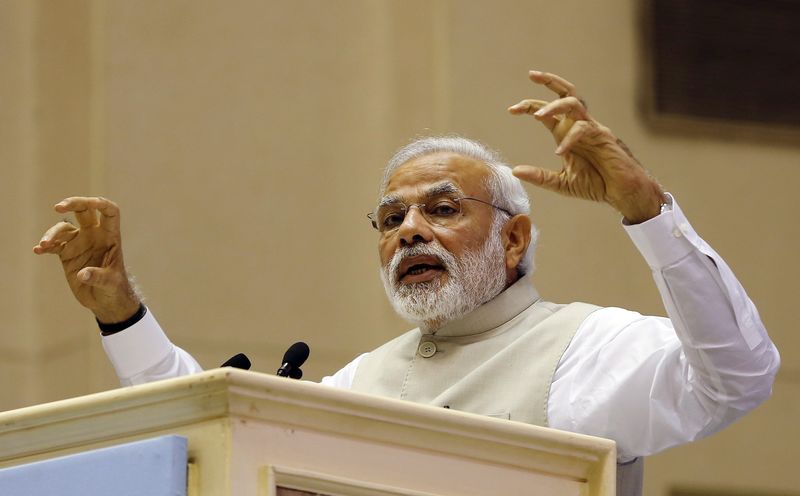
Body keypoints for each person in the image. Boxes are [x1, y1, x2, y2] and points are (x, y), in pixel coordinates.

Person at [34, 71, 779, 495]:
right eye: (391, 218)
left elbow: (737, 377)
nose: (409, 231)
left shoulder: (584, 347)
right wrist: (123, 315)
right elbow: (216, 433)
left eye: (443, 209)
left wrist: (648, 214)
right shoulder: (366, 379)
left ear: (513, 236)